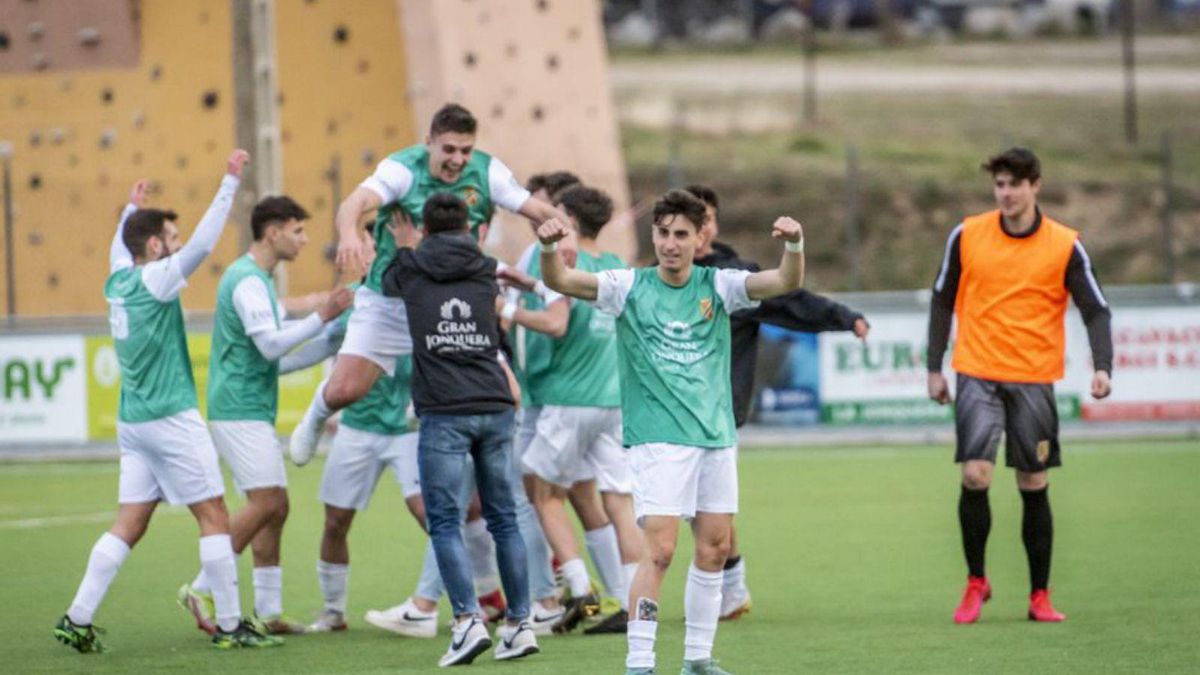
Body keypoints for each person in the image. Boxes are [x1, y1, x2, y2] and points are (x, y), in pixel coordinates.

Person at [538, 189, 806, 675]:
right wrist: (547, 247)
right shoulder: (627, 286)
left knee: (715, 549)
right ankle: (640, 662)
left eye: (681, 234)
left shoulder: (719, 285)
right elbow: (560, 277)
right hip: (658, 440)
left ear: (700, 237)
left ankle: (698, 659)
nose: (670, 243)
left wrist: (793, 244)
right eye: (662, 233)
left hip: (715, 438)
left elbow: (786, 280)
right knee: (659, 551)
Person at [55, 151, 281, 651]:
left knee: (129, 522)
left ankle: (76, 616)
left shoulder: (117, 280)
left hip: (133, 423)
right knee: (215, 516)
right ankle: (229, 625)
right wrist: (228, 181)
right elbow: (203, 245)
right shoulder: (156, 281)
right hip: (172, 419)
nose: (177, 249)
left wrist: (126, 214)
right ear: (154, 245)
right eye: (169, 241)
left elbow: (121, 246)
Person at [288, 103, 566, 464]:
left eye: (465, 150)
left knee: (508, 391)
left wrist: (560, 234)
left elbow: (542, 213)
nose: (457, 160)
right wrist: (348, 236)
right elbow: (354, 204)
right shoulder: (403, 171)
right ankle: (316, 415)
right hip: (391, 300)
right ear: (429, 142)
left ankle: (493, 463)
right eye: (448, 149)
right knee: (346, 390)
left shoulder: (487, 172)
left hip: (453, 299)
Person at [926, 147, 1113, 624]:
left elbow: (1095, 308)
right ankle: (976, 582)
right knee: (975, 475)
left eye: (1014, 184)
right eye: (999, 185)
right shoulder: (967, 234)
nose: (1005, 193)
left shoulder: (1064, 244)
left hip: (1033, 376)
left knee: (1033, 480)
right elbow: (942, 298)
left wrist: (1102, 364)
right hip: (977, 369)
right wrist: (934, 366)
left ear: (1035, 186)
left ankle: (1039, 596)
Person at [685, 184, 870, 621]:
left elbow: (794, 302)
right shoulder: (660, 276)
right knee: (699, 508)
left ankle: (718, 589)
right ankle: (729, 587)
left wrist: (846, 318)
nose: (697, 230)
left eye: (705, 219)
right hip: (667, 412)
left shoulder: (736, 278)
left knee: (702, 508)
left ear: (711, 224)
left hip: (717, 413)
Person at [174, 197, 351, 635]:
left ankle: (268, 613)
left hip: (249, 405)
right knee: (267, 502)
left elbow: (275, 361)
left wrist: (329, 342)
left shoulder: (260, 281)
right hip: (237, 408)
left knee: (276, 506)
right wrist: (320, 316)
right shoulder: (248, 282)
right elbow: (272, 347)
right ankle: (200, 588)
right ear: (273, 233)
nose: (305, 240)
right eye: (297, 231)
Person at [381, 193, 538, 666]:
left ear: (425, 230)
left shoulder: (409, 267)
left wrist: (405, 245)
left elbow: (386, 283)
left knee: (445, 521)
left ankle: (467, 622)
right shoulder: (486, 268)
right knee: (504, 518)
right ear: (470, 230)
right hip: (494, 404)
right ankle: (521, 624)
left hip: (444, 410)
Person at [500, 184, 643, 635]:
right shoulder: (618, 268)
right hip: (613, 401)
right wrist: (529, 285)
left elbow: (557, 320)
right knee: (619, 502)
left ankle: (579, 586)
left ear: (573, 223)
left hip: (568, 400)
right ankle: (634, 604)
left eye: (559, 214)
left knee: (542, 493)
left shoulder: (568, 261)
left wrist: (505, 307)